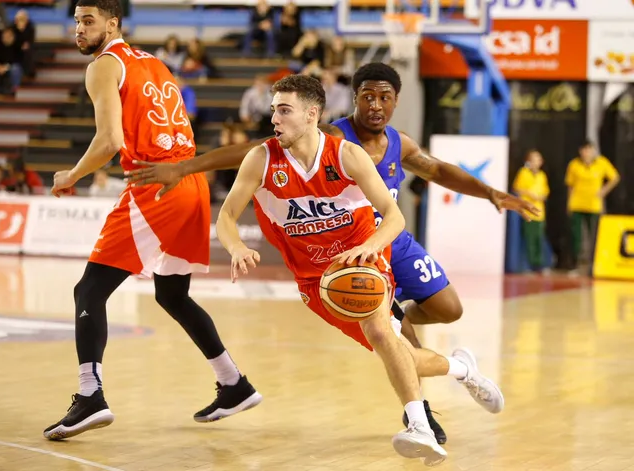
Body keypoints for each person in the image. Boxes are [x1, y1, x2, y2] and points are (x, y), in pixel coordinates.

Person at [124, 63, 537, 443]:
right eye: (367, 96)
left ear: (396, 101)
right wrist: (186, 168)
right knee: (396, 345)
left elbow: (438, 171)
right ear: (353, 99)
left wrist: (489, 192)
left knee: (444, 311)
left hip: (379, 242)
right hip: (328, 268)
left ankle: (423, 405)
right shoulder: (323, 137)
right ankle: (426, 409)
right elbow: (250, 153)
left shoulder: (395, 143)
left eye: (385, 97)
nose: (375, 105)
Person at [216, 74, 504, 465]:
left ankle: (419, 426)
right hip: (315, 280)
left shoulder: (346, 155)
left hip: (363, 259)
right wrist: (235, 246)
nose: (274, 119)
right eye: (274, 111)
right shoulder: (262, 159)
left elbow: (394, 216)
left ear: (312, 114)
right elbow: (227, 216)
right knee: (398, 352)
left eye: (284, 111)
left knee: (381, 331)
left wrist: (369, 247)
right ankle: (463, 368)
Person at [44, 0, 261, 441]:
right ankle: (234, 382)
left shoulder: (103, 66)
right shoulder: (155, 63)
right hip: (190, 182)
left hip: (155, 184)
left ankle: (90, 395)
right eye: (77, 22)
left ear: (112, 24)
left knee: (89, 290)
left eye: (88, 21)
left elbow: (109, 141)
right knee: (173, 295)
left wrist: (72, 175)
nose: (79, 29)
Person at [565, 140, 620, 274]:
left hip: (594, 205)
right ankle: (576, 264)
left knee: (594, 236)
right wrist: (569, 203)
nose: (587, 153)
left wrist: (603, 191)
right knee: (577, 235)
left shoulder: (602, 163)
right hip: (577, 204)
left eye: (589, 149)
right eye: (585, 150)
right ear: (580, 151)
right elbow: (570, 185)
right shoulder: (574, 164)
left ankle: (593, 264)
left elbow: (615, 177)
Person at [512, 149, 550, 273]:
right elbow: (517, 188)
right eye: (533, 160)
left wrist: (541, 196)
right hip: (527, 211)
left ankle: (539, 265)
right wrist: (529, 194)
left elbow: (545, 191)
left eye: (538, 160)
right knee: (529, 240)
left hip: (539, 212)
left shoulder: (542, 175)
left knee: (539, 239)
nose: (536, 162)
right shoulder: (523, 173)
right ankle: (528, 265)